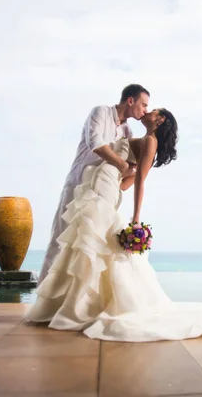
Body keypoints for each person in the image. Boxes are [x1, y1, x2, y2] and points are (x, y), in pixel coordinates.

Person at [25, 108, 202, 342]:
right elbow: (125, 183)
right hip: (103, 183)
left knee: (90, 237)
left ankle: (83, 305)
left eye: (153, 110)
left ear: (160, 119)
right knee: (88, 238)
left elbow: (139, 184)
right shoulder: (143, 138)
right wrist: (118, 172)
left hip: (102, 189)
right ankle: (80, 303)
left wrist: (136, 219)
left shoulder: (149, 141)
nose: (147, 111)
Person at [37, 84, 150, 285]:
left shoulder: (127, 130)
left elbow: (127, 174)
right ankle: (43, 296)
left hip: (102, 193)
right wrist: (123, 164)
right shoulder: (100, 112)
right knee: (60, 239)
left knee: (90, 246)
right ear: (130, 100)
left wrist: (136, 170)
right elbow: (96, 143)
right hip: (78, 183)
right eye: (143, 105)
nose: (145, 111)